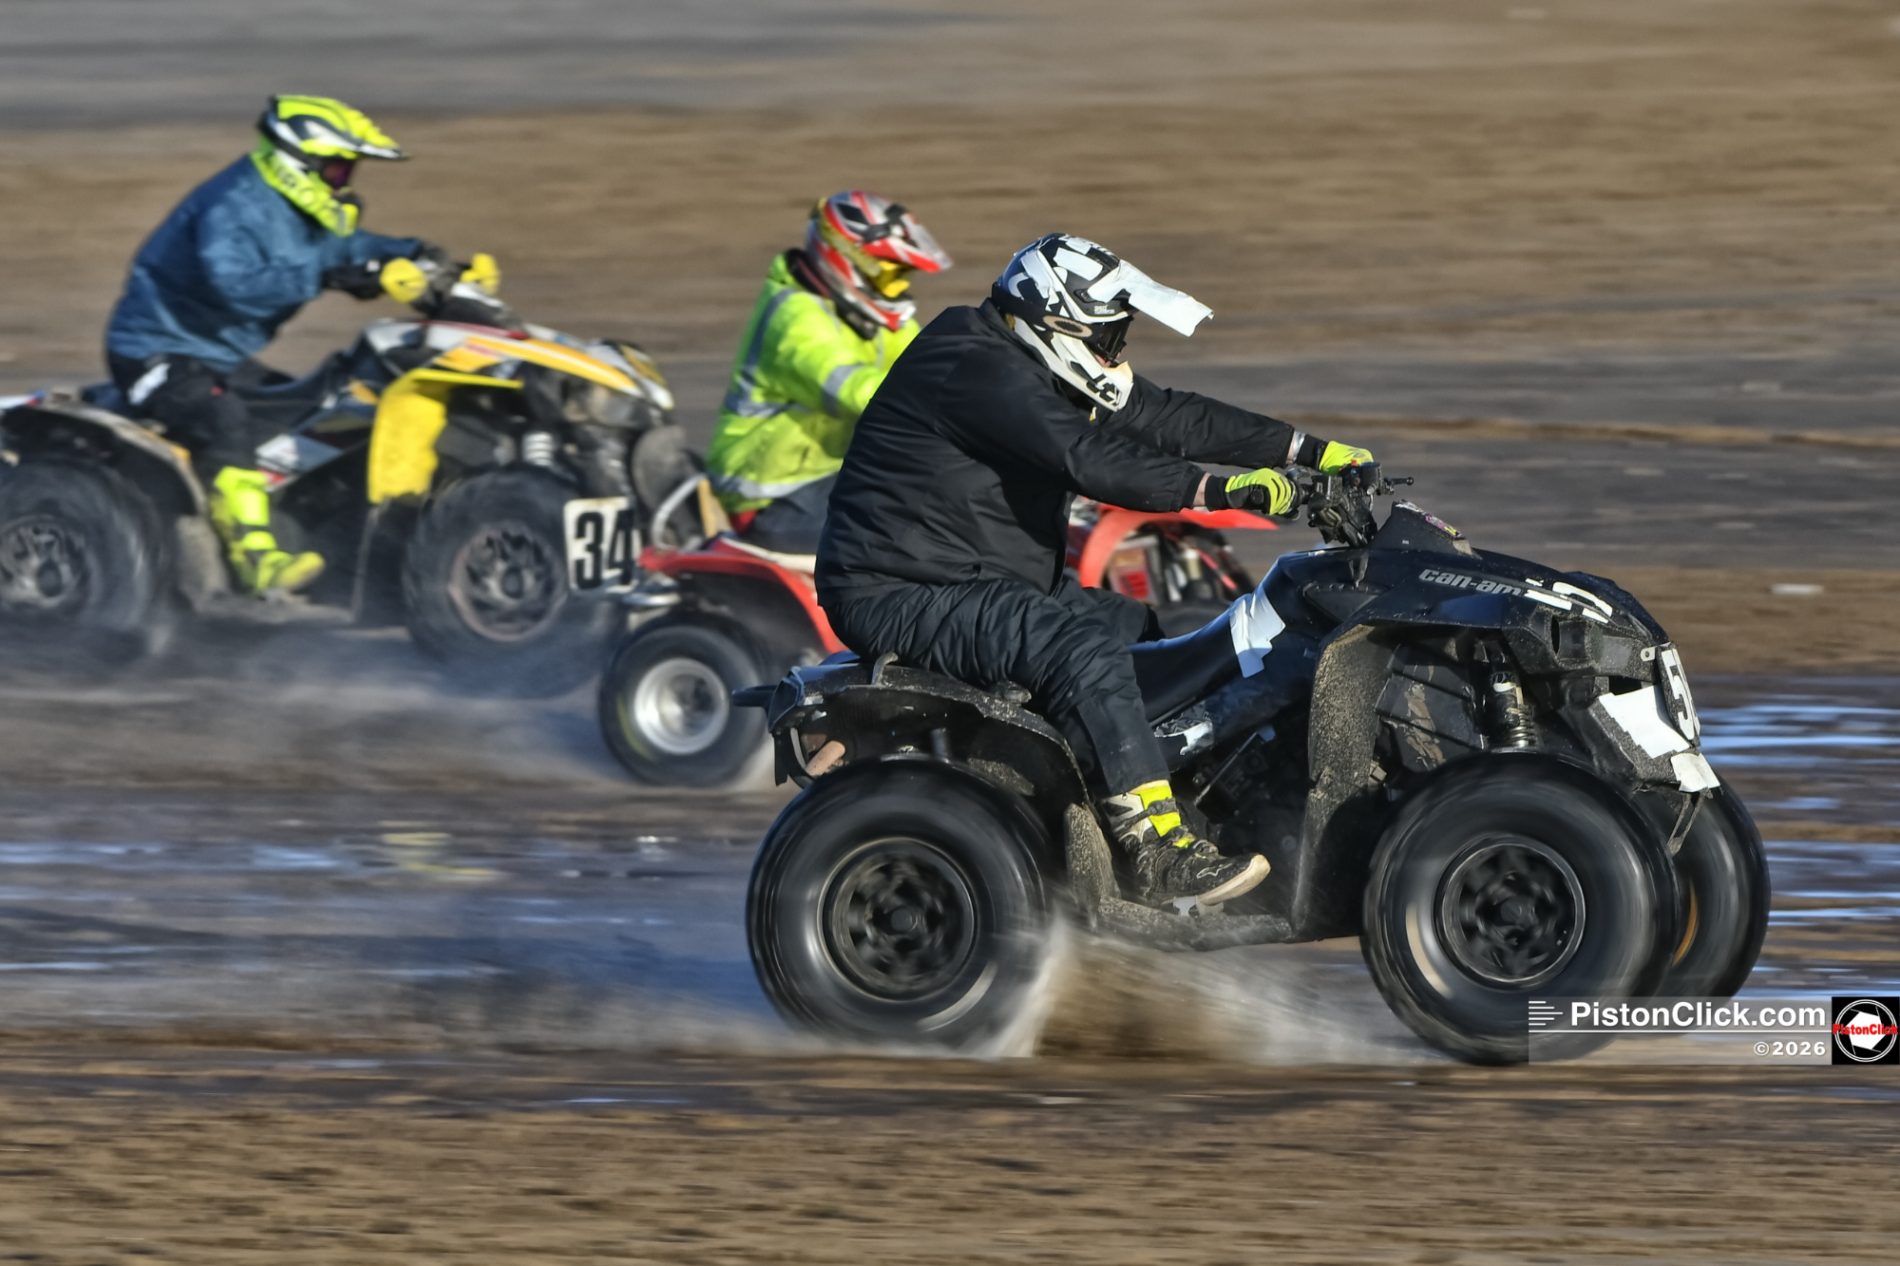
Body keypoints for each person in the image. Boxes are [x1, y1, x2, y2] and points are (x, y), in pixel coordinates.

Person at [816, 233, 1375, 907]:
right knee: (1078, 649)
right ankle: (1156, 854)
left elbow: (1167, 417)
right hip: (901, 587)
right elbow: (1086, 456)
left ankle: (1110, 800)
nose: (1115, 353)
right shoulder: (973, 363)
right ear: (1056, 322)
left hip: (981, 576)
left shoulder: (1029, 359)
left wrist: (1309, 450)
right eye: (1108, 337)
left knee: (1132, 627)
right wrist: (1224, 492)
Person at [105, 94, 449, 593]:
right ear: (299, 160)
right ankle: (254, 558)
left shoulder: (290, 206)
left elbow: (347, 246)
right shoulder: (233, 205)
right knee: (225, 422)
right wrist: (333, 274)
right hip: (154, 353)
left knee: (317, 418)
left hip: (219, 358)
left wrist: (418, 255)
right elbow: (236, 283)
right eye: (337, 170)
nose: (344, 181)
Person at [706, 191, 951, 554]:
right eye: (890, 275)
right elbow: (856, 391)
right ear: (846, 260)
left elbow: (936, 365)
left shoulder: (881, 315)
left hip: (828, 479)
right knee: (928, 534)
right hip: (773, 499)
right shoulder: (794, 317)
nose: (897, 288)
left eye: (903, 276)